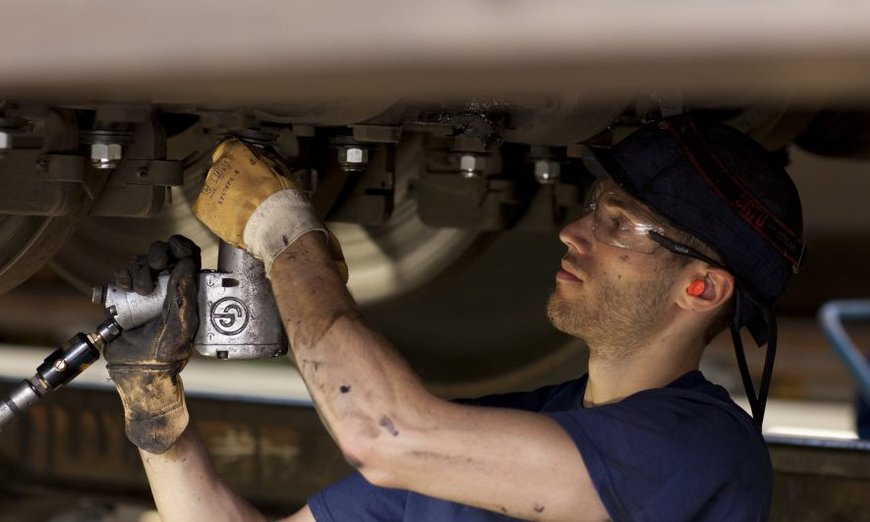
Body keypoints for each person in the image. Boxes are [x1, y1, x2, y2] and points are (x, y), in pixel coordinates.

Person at [103, 115, 805, 521]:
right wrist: (156, 416)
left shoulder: (701, 452)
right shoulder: (497, 437)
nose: (574, 233)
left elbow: (384, 434)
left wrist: (287, 236)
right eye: (595, 207)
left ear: (703, 289)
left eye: (618, 226)